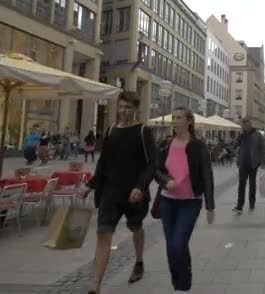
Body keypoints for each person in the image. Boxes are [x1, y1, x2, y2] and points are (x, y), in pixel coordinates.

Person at [82, 91, 157, 294]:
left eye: (128, 108)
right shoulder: (111, 130)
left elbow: (152, 163)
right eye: (121, 107)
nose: (124, 111)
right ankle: (95, 284)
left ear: (135, 109)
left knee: (135, 227)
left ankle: (139, 261)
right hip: (111, 193)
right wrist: (91, 184)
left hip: (134, 194)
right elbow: (104, 161)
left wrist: (140, 187)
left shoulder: (143, 131)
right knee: (103, 234)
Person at [155, 107, 215, 293]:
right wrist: (166, 181)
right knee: (171, 246)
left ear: (189, 121)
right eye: (174, 118)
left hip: (190, 201)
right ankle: (178, 284)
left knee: (179, 243)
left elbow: (207, 174)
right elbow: (156, 171)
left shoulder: (198, 145)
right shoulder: (167, 144)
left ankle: (183, 284)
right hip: (167, 201)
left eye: (179, 118)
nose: (175, 121)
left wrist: (210, 206)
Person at [233, 117, 265, 215]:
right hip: (243, 163)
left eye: (245, 124)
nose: (244, 126)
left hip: (253, 163)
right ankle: (239, 206)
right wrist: (235, 153)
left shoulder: (258, 135)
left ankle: (252, 203)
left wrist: (263, 161)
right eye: (242, 125)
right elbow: (234, 145)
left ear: (249, 124)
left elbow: (262, 148)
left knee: (252, 184)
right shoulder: (241, 135)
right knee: (241, 185)